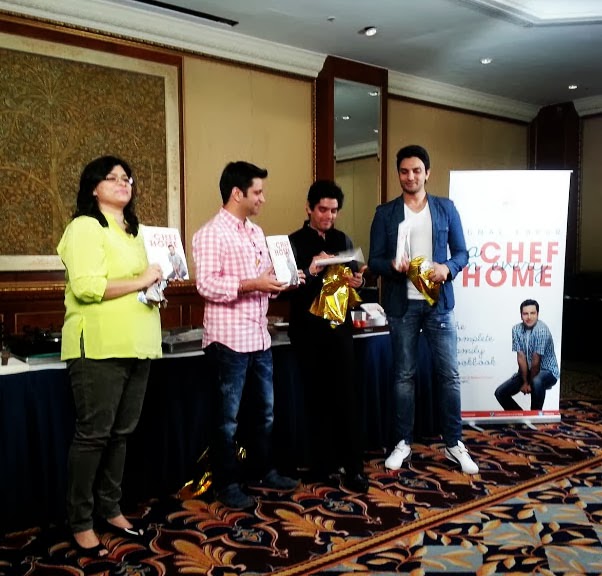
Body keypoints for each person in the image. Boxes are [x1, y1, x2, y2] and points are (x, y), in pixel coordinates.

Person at [57, 155, 164, 557]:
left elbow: (141, 283)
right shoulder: (85, 227)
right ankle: (80, 520)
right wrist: (142, 279)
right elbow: (87, 286)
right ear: (93, 187)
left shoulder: (137, 232)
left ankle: (110, 507)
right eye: (112, 177)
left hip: (139, 341)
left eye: (127, 178)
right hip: (99, 345)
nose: (123, 182)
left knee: (121, 433)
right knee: (94, 435)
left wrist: (154, 286)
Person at [192, 160, 300, 510]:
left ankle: (263, 470)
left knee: (264, 412)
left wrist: (283, 280)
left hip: (259, 337)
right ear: (237, 193)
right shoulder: (211, 233)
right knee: (227, 420)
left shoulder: (255, 232)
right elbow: (206, 285)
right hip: (228, 341)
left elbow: (263, 281)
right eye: (258, 192)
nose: (263, 198)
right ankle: (226, 484)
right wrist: (253, 283)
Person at [368, 144, 478, 475]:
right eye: (404, 171)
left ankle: (454, 443)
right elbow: (374, 261)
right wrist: (392, 265)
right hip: (401, 305)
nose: (410, 176)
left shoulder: (445, 209)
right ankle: (402, 442)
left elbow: (462, 253)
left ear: (427, 173)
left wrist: (447, 268)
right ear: (398, 174)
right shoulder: (385, 213)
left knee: (449, 375)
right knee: (403, 376)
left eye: (416, 170)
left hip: (438, 304)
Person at [287, 179, 369, 493]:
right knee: (315, 398)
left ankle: (354, 467)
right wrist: (311, 271)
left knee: (347, 396)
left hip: (339, 330)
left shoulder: (342, 239)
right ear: (309, 208)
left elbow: (358, 278)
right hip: (307, 331)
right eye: (323, 209)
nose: (328, 216)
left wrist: (359, 282)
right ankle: (321, 464)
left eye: (334, 210)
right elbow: (285, 289)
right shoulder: (293, 242)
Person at [495, 299, 559, 411]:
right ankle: (520, 417)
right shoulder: (516, 329)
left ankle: (534, 416)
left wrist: (529, 384)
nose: (529, 317)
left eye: (532, 313)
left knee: (536, 382)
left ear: (537, 314)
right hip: (527, 372)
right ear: (521, 315)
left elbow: (536, 360)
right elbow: (521, 358)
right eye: (525, 314)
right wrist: (525, 382)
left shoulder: (541, 330)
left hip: (548, 371)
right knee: (500, 393)